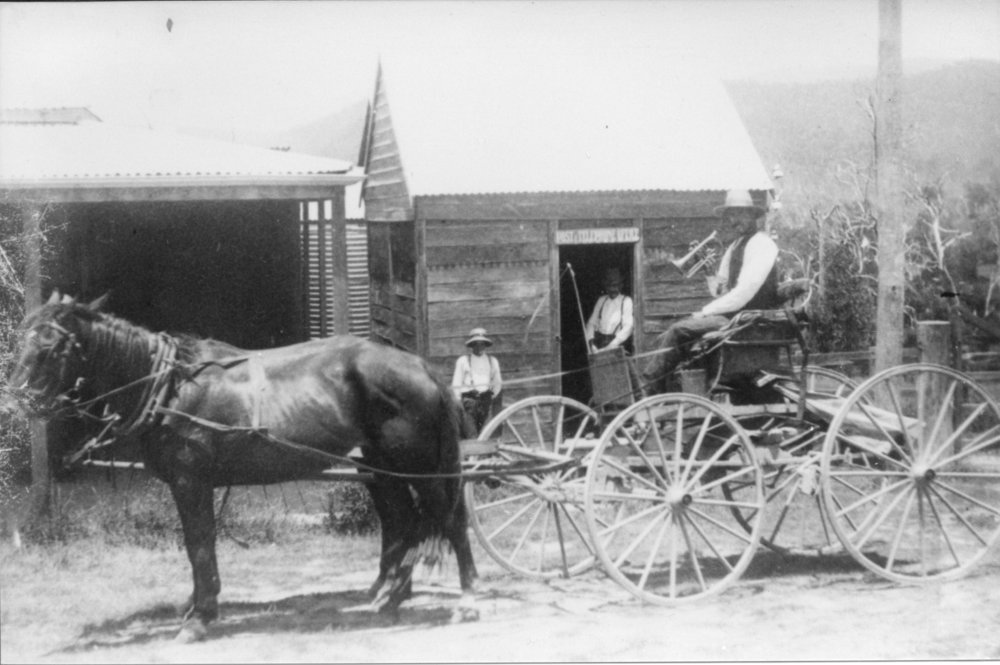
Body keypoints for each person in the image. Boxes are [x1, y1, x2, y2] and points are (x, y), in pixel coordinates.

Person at [642, 189, 781, 393]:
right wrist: (708, 271)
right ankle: (668, 388)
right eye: (731, 215)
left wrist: (706, 312)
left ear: (752, 215)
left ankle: (649, 389)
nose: (734, 220)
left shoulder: (763, 245)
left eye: (740, 214)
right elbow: (720, 290)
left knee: (679, 331)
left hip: (748, 322)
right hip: (734, 318)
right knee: (673, 331)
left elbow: (743, 293)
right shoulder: (734, 246)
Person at [451, 327, 503, 432]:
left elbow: (498, 383)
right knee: (471, 435)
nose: (479, 347)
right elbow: (456, 384)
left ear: (485, 345)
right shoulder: (463, 361)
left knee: (486, 433)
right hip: (469, 403)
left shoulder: (492, 361)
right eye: (476, 344)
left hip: (486, 402)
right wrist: (460, 403)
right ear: (472, 345)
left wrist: (490, 396)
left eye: (482, 343)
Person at [585, 267, 634, 354]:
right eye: (609, 286)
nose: (612, 289)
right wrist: (592, 344)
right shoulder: (601, 300)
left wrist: (612, 346)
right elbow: (591, 323)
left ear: (620, 286)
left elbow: (628, 327)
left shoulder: (626, 301)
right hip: (598, 347)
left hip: (616, 346)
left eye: (615, 285)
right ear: (606, 287)